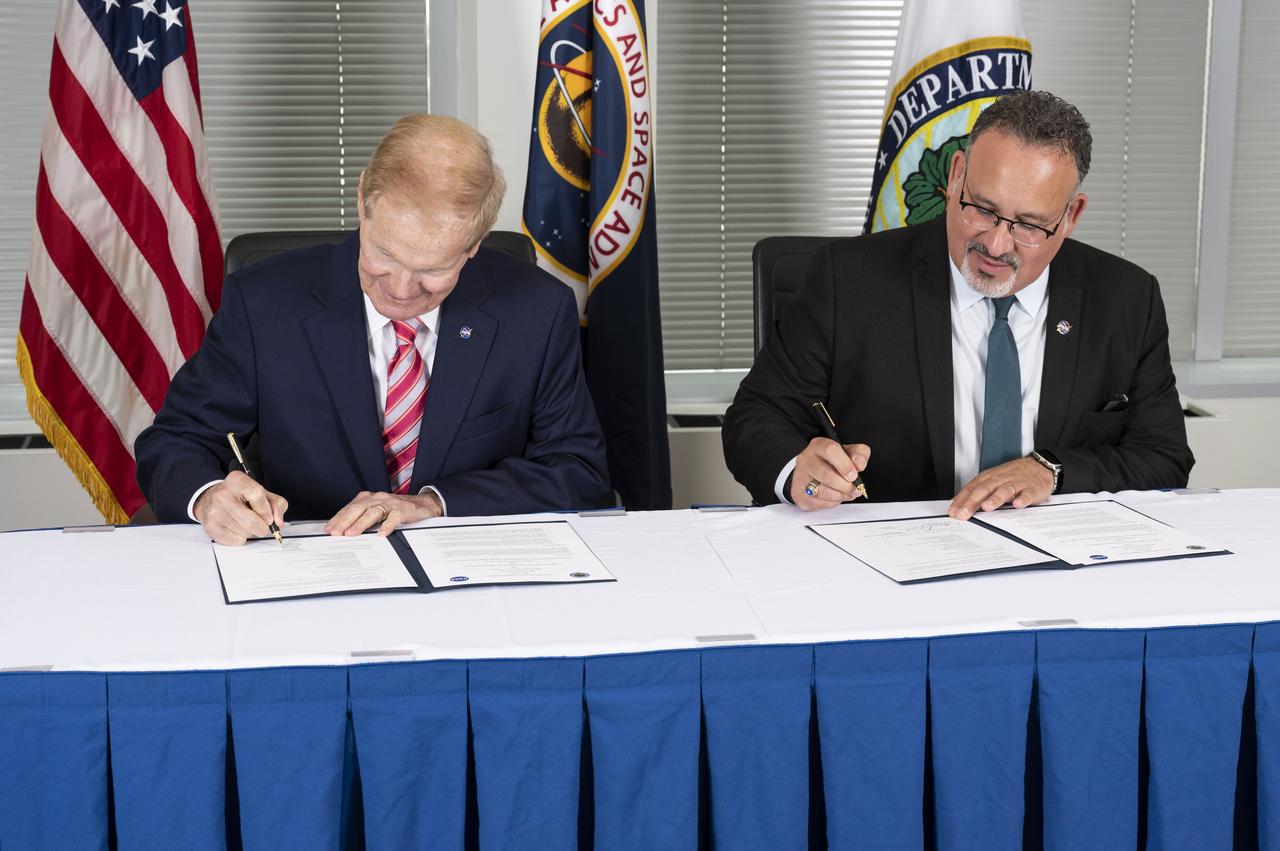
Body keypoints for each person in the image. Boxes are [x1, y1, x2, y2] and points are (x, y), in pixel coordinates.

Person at [136, 114, 609, 545]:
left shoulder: (537, 310)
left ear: (474, 245)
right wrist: (207, 496)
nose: (401, 290)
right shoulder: (264, 302)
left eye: (433, 269)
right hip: (308, 560)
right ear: (363, 200)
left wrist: (432, 504)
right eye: (384, 254)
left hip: (467, 569)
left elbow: (577, 470)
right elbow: (175, 440)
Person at [723, 90, 1193, 518]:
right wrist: (798, 474)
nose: (996, 244)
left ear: (1071, 215)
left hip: (1060, 561)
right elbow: (755, 417)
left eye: (1029, 225)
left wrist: (1052, 470)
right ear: (956, 177)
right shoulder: (847, 278)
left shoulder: (1127, 299)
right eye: (983, 209)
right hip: (887, 554)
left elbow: (1163, 456)